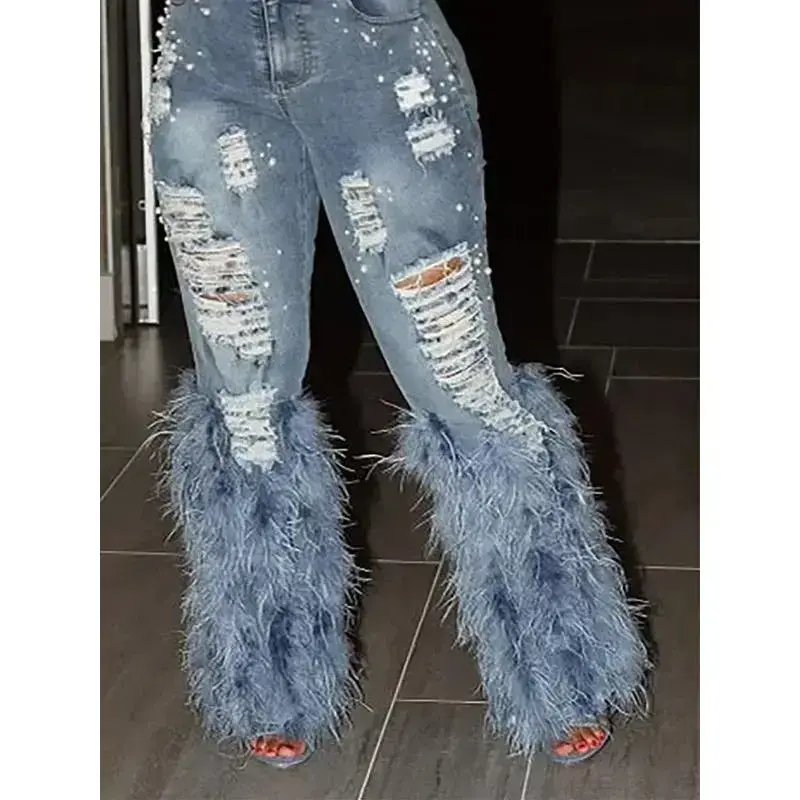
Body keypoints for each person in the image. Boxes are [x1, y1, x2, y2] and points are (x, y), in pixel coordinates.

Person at [146, 0, 648, 769]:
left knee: (459, 379)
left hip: (376, 55)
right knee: (242, 392)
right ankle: (270, 676)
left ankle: (563, 665)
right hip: (209, 54)